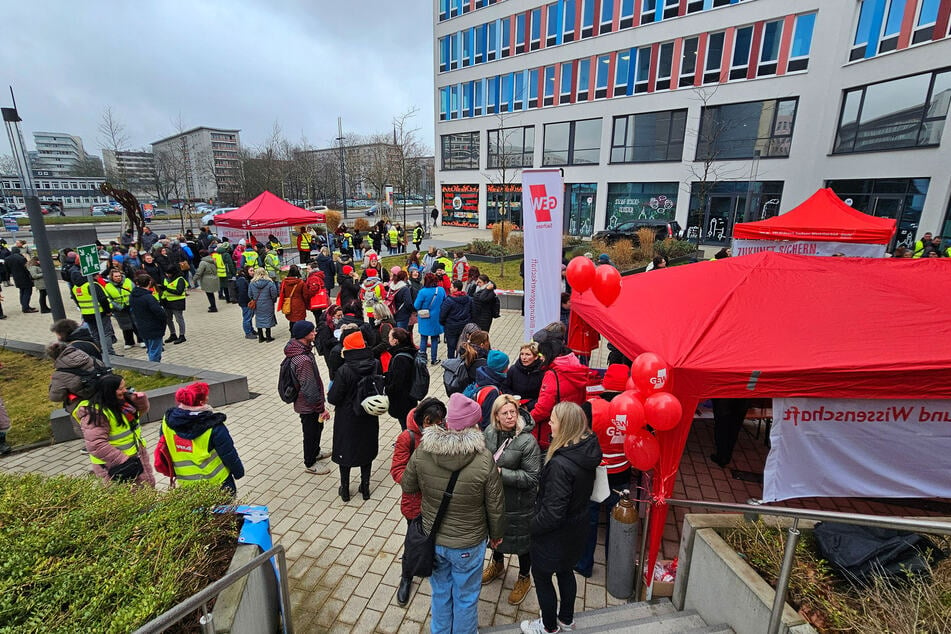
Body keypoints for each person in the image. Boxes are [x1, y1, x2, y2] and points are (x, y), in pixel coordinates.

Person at [401, 393, 506, 634]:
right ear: (474, 425)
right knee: (466, 596)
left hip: (434, 538)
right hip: (468, 543)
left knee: (440, 591)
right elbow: (495, 505)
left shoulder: (424, 449)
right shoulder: (483, 459)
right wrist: (497, 535)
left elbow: (408, 486)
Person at [521, 402, 602, 634]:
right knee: (566, 572)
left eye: (553, 420)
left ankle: (548, 627)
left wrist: (530, 527)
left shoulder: (560, 465)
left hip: (555, 537)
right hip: (576, 529)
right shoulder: (587, 449)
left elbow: (552, 514)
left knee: (543, 578)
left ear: (565, 426)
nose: (549, 424)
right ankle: (566, 619)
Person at [482, 394, 542, 605]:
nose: (510, 417)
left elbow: (532, 477)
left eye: (513, 412)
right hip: (493, 500)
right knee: (495, 535)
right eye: (505, 413)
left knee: (521, 542)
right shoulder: (488, 433)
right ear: (496, 416)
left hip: (518, 505)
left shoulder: (527, 441)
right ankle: (498, 564)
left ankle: (524, 577)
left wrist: (500, 473)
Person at [576, 364, 634, 578]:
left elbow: (577, 436)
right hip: (622, 472)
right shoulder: (633, 408)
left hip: (595, 471)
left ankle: (584, 564)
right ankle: (615, 566)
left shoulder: (591, 407)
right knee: (617, 519)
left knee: (589, 518)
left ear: (605, 382)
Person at [390, 397, 447, 606]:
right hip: (415, 503)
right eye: (429, 423)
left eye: (439, 422)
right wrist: (420, 482)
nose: (434, 427)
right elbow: (397, 470)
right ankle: (407, 575)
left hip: (438, 502)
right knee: (413, 541)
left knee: (435, 537)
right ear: (422, 420)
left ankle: (430, 563)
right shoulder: (408, 438)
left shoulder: (445, 433)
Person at [156, 382, 244, 494]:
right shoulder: (214, 427)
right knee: (225, 511)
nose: (208, 397)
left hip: (186, 485)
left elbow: (166, 446)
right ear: (201, 402)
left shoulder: (167, 423)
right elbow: (228, 454)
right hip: (217, 482)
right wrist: (238, 472)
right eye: (206, 395)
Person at [72, 373, 155, 487]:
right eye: (120, 389)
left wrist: (141, 401)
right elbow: (96, 445)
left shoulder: (122, 404)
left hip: (134, 457)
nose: (125, 391)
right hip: (116, 465)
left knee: (145, 490)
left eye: (125, 387)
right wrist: (123, 460)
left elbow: (137, 415)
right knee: (131, 498)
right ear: (109, 391)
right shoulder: (96, 413)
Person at [327, 331, 381, 501]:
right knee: (366, 448)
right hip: (369, 413)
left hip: (348, 417)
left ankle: (345, 488)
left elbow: (334, 397)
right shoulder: (375, 363)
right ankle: (365, 487)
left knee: (346, 450)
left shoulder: (345, 370)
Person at [284, 321, 332, 475]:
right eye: (312, 332)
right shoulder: (303, 360)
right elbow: (309, 388)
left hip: (309, 403)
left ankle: (316, 452)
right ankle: (310, 462)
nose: (315, 333)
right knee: (310, 431)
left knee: (317, 428)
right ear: (304, 335)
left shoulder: (300, 350)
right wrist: (321, 409)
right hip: (308, 404)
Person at [530, 346, 590, 451]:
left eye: (541, 355)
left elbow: (543, 409)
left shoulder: (552, 375)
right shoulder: (577, 369)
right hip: (572, 424)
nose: (540, 358)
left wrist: (528, 419)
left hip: (552, 429)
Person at [47, 319, 106, 412]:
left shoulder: (73, 348)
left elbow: (56, 396)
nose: (57, 337)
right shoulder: (88, 340)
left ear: (63, 333)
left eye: (57, 334)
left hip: (87, 393)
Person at [70, 269, 118, 357]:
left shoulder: (75, 288)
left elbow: (77, 302)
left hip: (87, 314)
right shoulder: (92, 285)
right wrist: (108, 311)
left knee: (94, 334)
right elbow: (103, 299)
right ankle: (110, 353)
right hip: (100, 313)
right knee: (106, 333)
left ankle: (98, 352)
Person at [385, 327, 419, 431]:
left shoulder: (400, 358)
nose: (388, 339)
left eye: (389, 337)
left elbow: (398, 382)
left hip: (403, 399)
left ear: (395, 341)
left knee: (405, 423)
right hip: (410, 396)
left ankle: (408, 443)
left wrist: (387, 389)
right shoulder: (409, 350)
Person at [130, 274, 168, 362]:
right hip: (154, 327)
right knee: (155, 351)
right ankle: (154, 370)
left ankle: (152, 367)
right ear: (150, 282)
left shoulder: (133, 296)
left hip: (141, 326)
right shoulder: (148, 298)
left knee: (150, 349)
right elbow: (160, 312)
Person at [414, 273, 446, 365]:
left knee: (423, 338)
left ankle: (422, 359)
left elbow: (416, 306)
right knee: (435, 339)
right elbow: (445, 301)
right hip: (436, 318)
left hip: (424, 318)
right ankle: (434, 359)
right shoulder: (440, 290)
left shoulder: (422, 292)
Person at [103, 269, 139, 349]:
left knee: (136, 324)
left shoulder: (128, 281)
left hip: (131, 307)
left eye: (119, 276)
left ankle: (141, 340)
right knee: (125, 326)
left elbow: (135, 292)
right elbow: (109, 299)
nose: (118, 278)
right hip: (119, 309)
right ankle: (129, 342)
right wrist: (119, 307)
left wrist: (132, 303)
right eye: (116, 276)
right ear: (112, 277)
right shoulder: (108, 286)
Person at [505, 342, 545, 410]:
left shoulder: (542, 372)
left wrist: (528, 406)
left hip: (534, 408)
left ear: (536, 357)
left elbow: (543, 395)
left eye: (528, 354)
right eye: (522, 354)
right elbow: (505, 387)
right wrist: (513, 399)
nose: (523, 357)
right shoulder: (513, 370)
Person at [440, 280, 472, 359]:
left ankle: (451, 364)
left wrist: (444, 323)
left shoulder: (449, 300)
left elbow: (442, 314)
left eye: (451, 287)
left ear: (456, 288)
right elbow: (472, 311)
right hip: (464, 326)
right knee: (462, 346)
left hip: (451, 327)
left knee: (451, 347)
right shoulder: (468, 299)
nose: (450, 289)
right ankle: (462, 362)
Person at [249, 267, 279, 342]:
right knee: (268, 318)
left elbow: (250, 294)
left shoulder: (252, 283)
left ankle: (261, 337)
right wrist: (273, 301)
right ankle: (268, 337)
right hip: (268, 303)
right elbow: (274, 293)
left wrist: (254, 299)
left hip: (257, 304)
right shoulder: (269, 283)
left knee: (258, 318)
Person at [161, 267, 188, 345]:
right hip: (167, 302)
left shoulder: (180, 279)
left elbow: (179, 291)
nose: (167, 275)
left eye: (168, 273)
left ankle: (182, 335)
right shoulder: (166, 279)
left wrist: (166, 289)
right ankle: (173, 334)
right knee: (168, 319)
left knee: (179, 319)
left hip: (177, 302)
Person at [278, 264, 308, 333]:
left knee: (292, 319)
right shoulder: (300, 282)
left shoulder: (284, 282)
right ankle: (300, 333)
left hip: (288, 303)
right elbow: (305, 295)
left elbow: (282, 292)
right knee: (300, 319)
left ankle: (292, 332)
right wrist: (307, 304)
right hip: (299, 303)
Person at [6, 246, 35, 312]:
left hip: (16, 278)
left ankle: (25, 306)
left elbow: (7, 270)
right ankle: (26, 308)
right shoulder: (21, 258)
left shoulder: (7, 259)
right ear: (18, 251)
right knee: (27, 292)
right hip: (25, 277)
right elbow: (26, 268)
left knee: (22, 292)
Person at [234, 265, 256, 339]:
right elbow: (243, 292)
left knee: (249, 316)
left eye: (253, 270)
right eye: (251, 271)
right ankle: (248, 332)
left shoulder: (246, 278)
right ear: (246, 271)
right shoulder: (242, 280)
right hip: (245, 302)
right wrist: (250, 300)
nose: (253, 272)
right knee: (247, 317)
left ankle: (251, 329)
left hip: (247, 301)